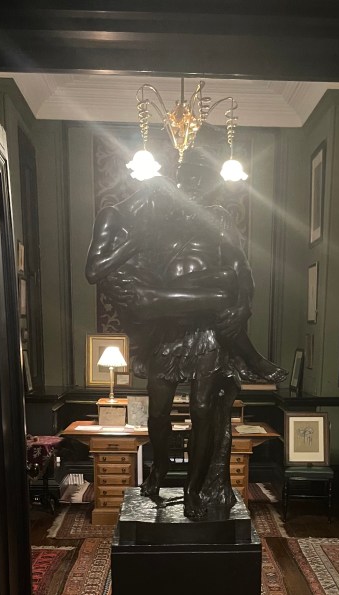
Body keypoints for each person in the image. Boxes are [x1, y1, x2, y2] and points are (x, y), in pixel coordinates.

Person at [86, 145, 286, 519]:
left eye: (201, 177)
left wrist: (243, 307)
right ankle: (160, 467)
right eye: (187, 175)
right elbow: (117, 265)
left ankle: (194, 489)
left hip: (207, 329)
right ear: (177, 178)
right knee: (158, 412)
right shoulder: (159, 216)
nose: (193, 183)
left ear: (210, 182)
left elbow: (242, 269)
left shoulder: (219, 218)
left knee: (203, 409)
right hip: (168, 327)